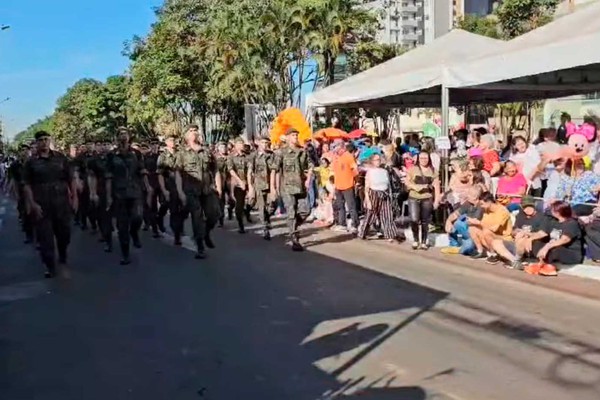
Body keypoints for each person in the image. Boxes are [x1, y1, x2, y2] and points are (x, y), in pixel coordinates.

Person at [22, 130, 78, 278]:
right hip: (42, 205)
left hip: (61, 202)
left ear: (50, 141)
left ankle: (63, 254)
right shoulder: (31, 163)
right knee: (45, 238)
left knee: (64, 233)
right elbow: (26, 184)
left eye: (46, 139)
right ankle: (50, 266)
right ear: (36, 143)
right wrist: (32, 203)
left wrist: (74, 197)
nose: (44, 142)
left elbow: (71, 179)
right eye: (41, 140)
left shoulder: (60, 158)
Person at [175, 125, 222, 259]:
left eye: (196, 130)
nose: (194, 132)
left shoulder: (206, 151)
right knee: (197, 217)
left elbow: (215, 170)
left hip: (207, 189)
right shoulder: (182, 153)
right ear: (186, 136)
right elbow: (178, 173)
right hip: (191, 191)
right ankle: (200, 246)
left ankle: (206, 233)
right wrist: (180, 192)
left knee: (215, 214)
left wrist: (218, 187)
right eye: (191, 131)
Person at [106, 128, 152, 265]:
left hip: (135, 191)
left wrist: (148, 187)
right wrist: (108, 196)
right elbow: (108, 177)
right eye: (120, 134)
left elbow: (142, 171)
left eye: (125, 134)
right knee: (122, 225)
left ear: (129, 137)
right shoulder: (112, 155)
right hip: (119, 193)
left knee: (138, 217)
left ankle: (134, 232)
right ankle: (125, 254)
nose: (123, 136)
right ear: (117, 137)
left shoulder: (136, 153)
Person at [272, 128, 314, 251]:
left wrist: (308, 179)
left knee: (306, 210)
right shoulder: (281, 152)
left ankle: (294, 225)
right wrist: (274, 187)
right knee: (291, 213)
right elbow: (274, 170)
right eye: (293, 135)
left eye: (296, 135)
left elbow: (310, 166)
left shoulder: (302, 151)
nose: (295, 137)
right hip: (287, 187)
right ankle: (294, 239)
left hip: (300, 187)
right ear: (288, 137)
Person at [489, 196, 552, 269]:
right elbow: (513, 231)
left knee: (523, 239)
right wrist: (517, 232)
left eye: (530, 206)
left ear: (534, 204)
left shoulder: (542, 217)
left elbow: (542, 233)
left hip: (531, 245)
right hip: (516, 243)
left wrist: (527, 234)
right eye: (525, 207)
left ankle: (517, 259)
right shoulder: (520, 215)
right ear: (521, 207)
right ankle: (514, 261)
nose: (527, 209)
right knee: (495, 242)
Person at [357, 153, 401, 242]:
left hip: (384, 194)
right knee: (371, 215)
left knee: (387, 215)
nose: (378, 161)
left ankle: (390, 234)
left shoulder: (384, 171)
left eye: (379, 159)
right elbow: (367, 187)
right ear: (372, 161)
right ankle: (363, 232)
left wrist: (390, 196)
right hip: (373, 194)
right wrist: (368, 200)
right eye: (376, 160)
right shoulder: (370, 172)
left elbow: (388, 185)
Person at [406, 151, 440, 250]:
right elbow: (407, 182)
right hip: (414, 197)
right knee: (414, 219)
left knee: (425, 221)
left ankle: (424, 242)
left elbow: (437, 187)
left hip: (427, 198)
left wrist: (436, 201)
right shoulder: (413, 169)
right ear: (418, 159)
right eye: (421, 158)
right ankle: (416, 239)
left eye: (426, 158)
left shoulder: (433, 171)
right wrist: (414, 187)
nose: (424, 160)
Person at [468, 191, 513, 262]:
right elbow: (484, 224)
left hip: (503, 237)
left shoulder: (502, 211)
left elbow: (494, 229)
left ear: (489, 202)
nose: (481, 206)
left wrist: (479, 223)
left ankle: (493, 254)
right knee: (472, 228)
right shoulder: (487, 210)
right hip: (491, 236)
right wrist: (475, 222)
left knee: (486, 232)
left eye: (482, 204)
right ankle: (481, 251)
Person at [157, 133, 185, 245]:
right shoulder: (162, 157)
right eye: (170, 140)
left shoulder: (181, 154)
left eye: (174, 140)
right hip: (170, 186)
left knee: (183, 210)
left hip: (182, 185)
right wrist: (164, 190)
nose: (173, 142)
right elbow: (160, 174)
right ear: (166, 142)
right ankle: (176, 234)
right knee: (173, 210)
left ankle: (179, 228)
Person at [442, 187, 483, 256]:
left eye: (469, 194)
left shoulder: (481, 206)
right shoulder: (468, 203)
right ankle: (454, 244)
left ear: (475, 197)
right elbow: (455, 214)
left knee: (468, 247)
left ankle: (463, 247)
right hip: (467, 229)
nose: (467, 195)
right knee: (456, 223)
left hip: (476, 233)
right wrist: (448, 221)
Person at [88, 141, 113, 252]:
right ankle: (108, 240)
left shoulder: (116, 158)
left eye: (107, 144)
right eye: (102, 144)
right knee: (104, 217)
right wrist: (93, 193)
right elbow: (92, 177)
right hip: (102, 190)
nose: (105, 146)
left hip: (117, 190)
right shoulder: (94, 161)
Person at [250, 137, 276, 240]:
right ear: (259, 143)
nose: (265, 145)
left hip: (270, 184)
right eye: (263, 143)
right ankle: (265, 228)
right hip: (259, 185)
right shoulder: (254, 156)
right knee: (261, 207)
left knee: (273, 204)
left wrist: (274, 187)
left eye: (267, 143)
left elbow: (275, 171)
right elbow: (250, 172)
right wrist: (251, 187)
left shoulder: (272, 155)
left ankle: (268, 217)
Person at [331, 141, 359, 233]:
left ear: (341, 147)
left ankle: (355, 225)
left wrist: (356, 181)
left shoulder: (348, 156)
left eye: (336, 147)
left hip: (348, 185)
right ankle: (342, 224)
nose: (334, 149)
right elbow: (334, 171)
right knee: (340, 206)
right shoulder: (335, 157)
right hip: (338, 185)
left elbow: (355, 169)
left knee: (351, 206)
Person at [228, 137, 253, 234]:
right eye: (239, 143)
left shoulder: (247, 157)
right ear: (235, 145)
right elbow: (231, 170)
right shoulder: (231, 157)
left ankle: (246, 211)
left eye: (242, 143)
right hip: (236, 185)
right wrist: (239, 181)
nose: (242, 145)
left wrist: (250, 186)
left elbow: (249, 171)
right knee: (239, 205)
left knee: (251, 201)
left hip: (246, 182)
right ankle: (240, 225)